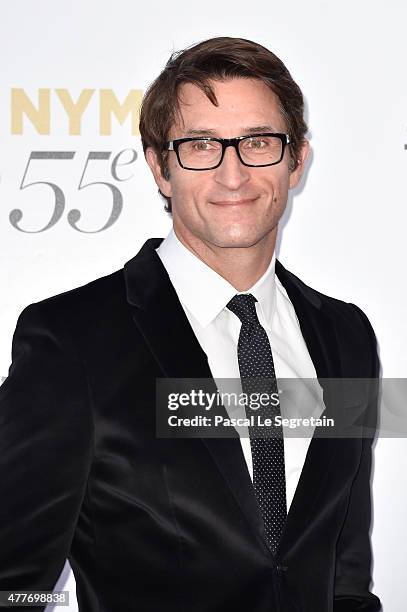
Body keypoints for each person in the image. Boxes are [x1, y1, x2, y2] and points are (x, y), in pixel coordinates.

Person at [0, 37, 381, 611]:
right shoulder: (71, 340)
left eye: (258, 142)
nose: (233, 174)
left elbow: (345, 577)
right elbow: (13, 582)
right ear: (160, 166)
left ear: (296, 159)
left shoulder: (347, 338)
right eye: (201, 145)